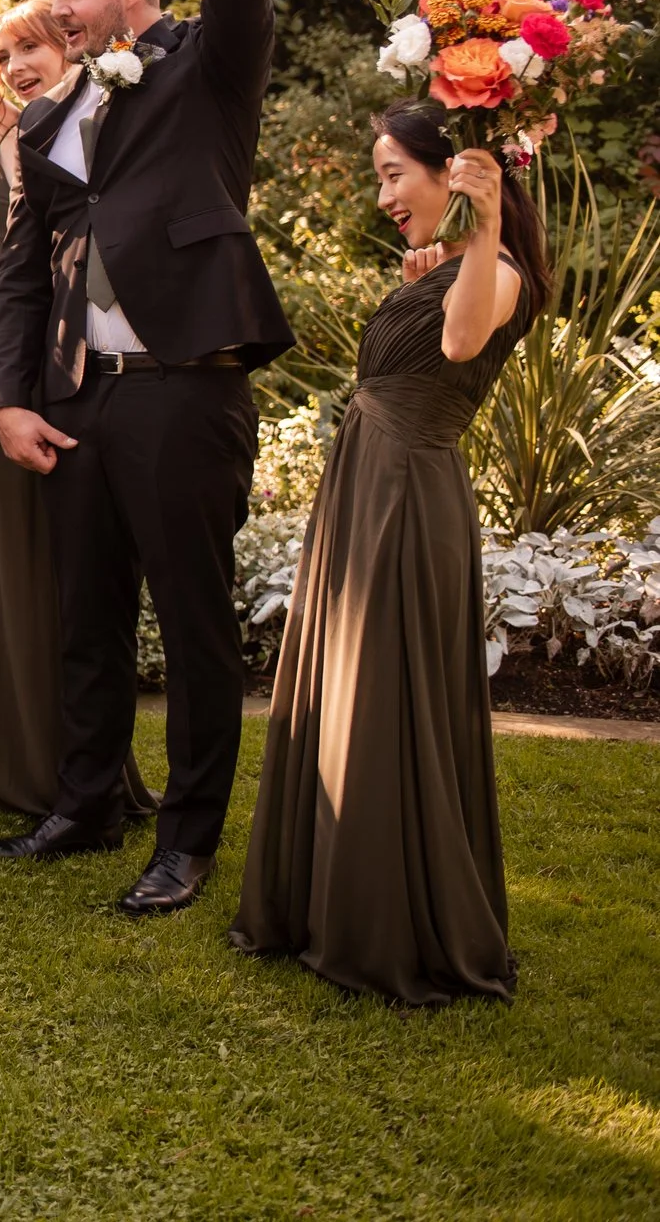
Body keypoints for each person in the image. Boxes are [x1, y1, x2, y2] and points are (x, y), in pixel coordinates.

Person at [0, 0, 295, 917]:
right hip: (76, 395)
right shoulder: (47, 116)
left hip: (182, 385)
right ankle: (84, 804)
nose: (56, 6)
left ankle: (187, 838)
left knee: (194, 623)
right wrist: (10, 397)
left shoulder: (208, 64)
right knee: (87, 614)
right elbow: (23, 271)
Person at [232, 106, 548, 1003]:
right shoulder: (454, 263)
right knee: (353, 688)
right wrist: (435, 270)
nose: (383, 197)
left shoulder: (502, 269)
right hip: (367, 485)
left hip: (405, 494)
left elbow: (459, 342)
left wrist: (481, 226)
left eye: (393, 174)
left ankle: (383, 918)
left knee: (385, 694)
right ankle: (323, 898)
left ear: (457, 172)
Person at [0, 0, 156, 818]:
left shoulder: (105, 124)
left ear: (71, 44)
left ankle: (60, 761)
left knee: (40, 554)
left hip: (42, 356)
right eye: (3, 56)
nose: (15, 67)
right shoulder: (5, 127)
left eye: (31, 48)